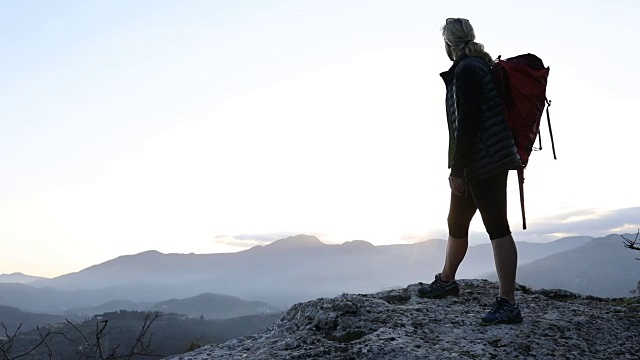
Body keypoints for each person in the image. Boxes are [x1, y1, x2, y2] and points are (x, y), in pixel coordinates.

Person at [417, 18, 523, 325]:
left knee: (497, 227)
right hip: (485, 158)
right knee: (457, 221)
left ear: (449, 44)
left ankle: (508, 303)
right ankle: (447, 281)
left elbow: (469, 123)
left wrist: (458, 169)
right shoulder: (476, 67)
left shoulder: (467, 71)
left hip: (484, 161)